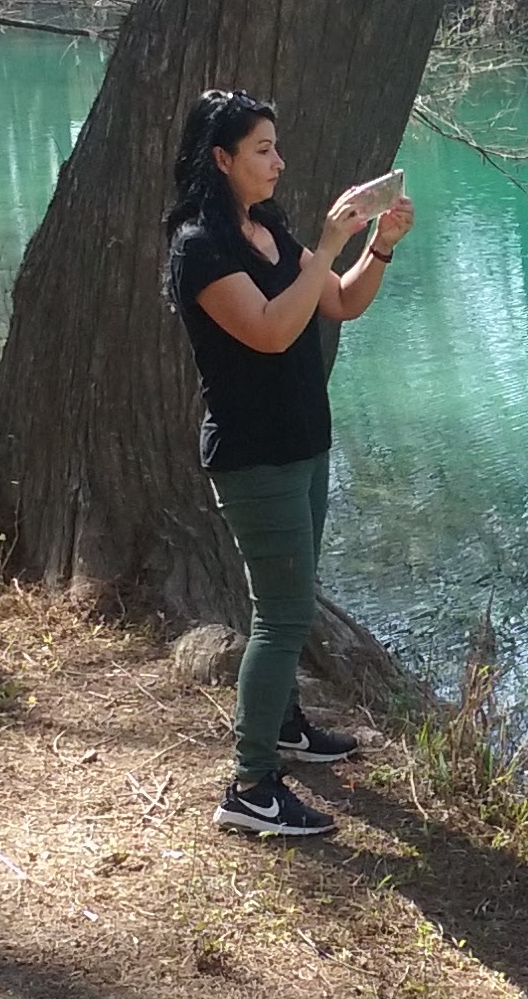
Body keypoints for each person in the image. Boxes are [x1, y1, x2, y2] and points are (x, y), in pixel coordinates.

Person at [166, 88, 414, 839]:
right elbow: (273, 331)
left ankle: (283, 728)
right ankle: (249, 786)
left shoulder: (268, 225)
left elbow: (337, 303)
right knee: (282, 614)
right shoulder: (199, 248)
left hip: (305, 444)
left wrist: (378, 245)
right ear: (222, 159)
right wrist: (334, 241)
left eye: (276, 146)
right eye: (263, 150)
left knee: (290, 595)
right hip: (253, 455)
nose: (278, 162)